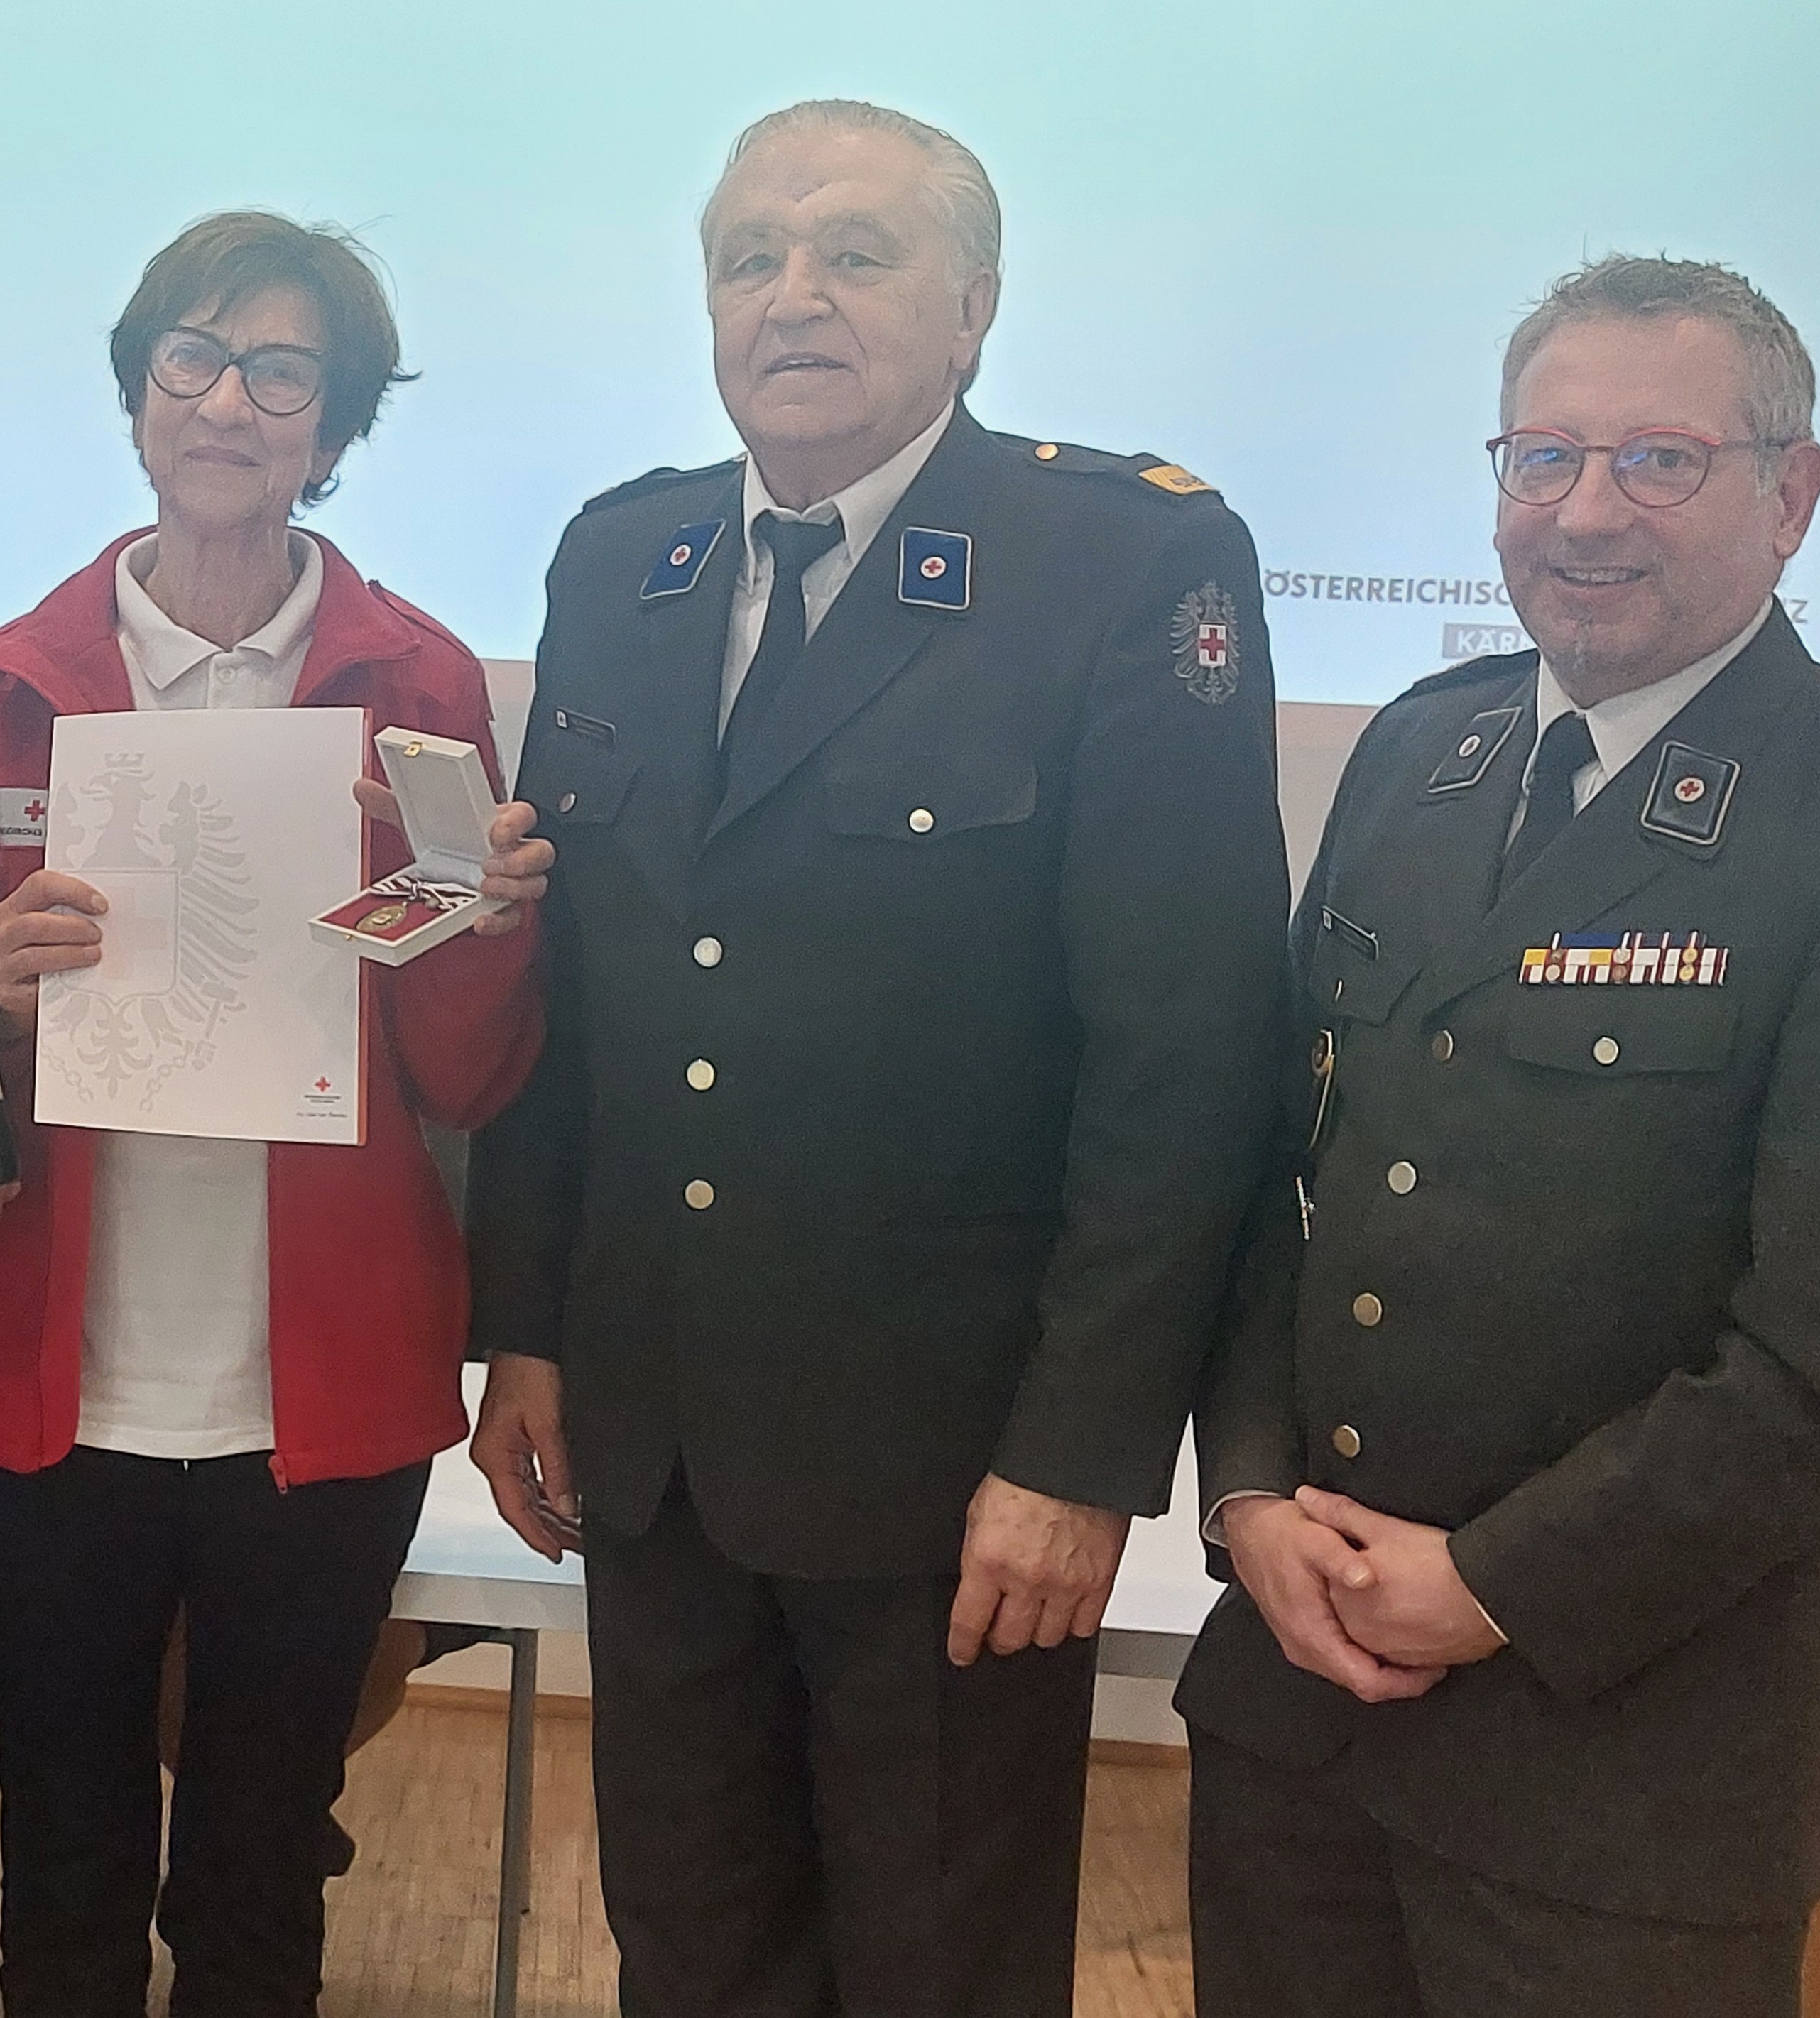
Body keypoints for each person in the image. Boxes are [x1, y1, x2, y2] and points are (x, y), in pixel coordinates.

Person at [465, 99, 1288, 2014]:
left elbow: (1183, 1056)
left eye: (854, 253)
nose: (792, 296)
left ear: (973, 307)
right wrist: (530, 1327)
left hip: (951, 1480)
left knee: (935, 1968)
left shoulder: (1119, 561)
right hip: (655, 1449)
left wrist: (1079, 1453)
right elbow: (580, 992)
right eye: (748, 259)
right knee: (688, 1953)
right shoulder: (623, 556)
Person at [1178, 256, 1820, 2018]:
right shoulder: (1415, 754)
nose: (1582, 512)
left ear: (1790, 494)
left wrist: (1494, 1583)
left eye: (1658, 460)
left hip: (1624, 1776)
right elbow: (1271, 1180)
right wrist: (1244, 1492)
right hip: (1298, 1714)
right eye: (1540, 457)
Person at [0, 211, 549, 2018]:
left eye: (281, 373)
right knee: (65, 1855)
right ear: (136, 395)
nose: (226, 402)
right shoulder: (12, 678)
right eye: (190, 358)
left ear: (331, 430)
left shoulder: (419, 685)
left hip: (316, 1381)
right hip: (54, 1374)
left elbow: (465, 1073)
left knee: (261, 1867)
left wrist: (482, 928)